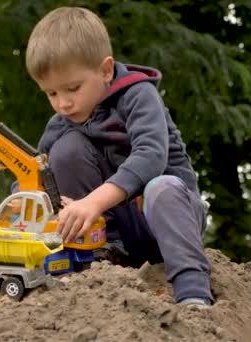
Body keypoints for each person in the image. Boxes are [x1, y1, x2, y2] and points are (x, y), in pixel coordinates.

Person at [24, 6, 213, 306]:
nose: (63, 103)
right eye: (52, 94)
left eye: (73, 88)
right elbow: (33, 173)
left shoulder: (138, 95)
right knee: (64, 151)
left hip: (167, 220)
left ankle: (192, 290)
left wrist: (92, 203)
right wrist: (27, 207)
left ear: (106, 70)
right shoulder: (61, 123)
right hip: (116, 230)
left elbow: (151, 155)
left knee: (160, 187)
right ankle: (102, 255)